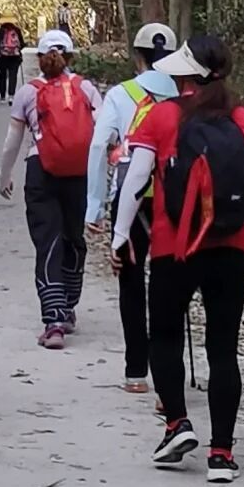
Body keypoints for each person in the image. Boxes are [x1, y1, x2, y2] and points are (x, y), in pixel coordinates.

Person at [112, 34, 244, 482]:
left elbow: (136, 179)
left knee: (164, 337)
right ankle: (221, 454)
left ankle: (177, 424)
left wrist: (121, 236)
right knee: (222, 348)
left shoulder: (162, 117)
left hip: (173, 247)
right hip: (233, 248)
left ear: (185, 75)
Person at [85, 22, 179, 392]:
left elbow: (98, 146)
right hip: (175, 198)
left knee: (131, 281)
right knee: (170, 285)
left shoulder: (121, 94)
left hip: (130, 197)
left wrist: (94, 205)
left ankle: (136, 371)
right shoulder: (185, 95)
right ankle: (168, 375)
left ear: (137, 55)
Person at [0, 29, 102, 347]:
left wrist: (5, 176)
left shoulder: (28, 92)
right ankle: (68, 305)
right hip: (79, 173)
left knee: (48, 243)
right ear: (69, 57)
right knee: (73, 239)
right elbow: (102, 136)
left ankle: (54, 321)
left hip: (40, 171)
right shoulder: (85, 87)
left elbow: (12, 141)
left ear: (40, 57)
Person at [0, 18, 25, 102]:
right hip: (15, 56)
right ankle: (11, 95)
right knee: (13, 75)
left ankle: (2, 96)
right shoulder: (17, 30)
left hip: (2, 56)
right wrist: (17, 50)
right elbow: (22, 43)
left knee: (2, 75)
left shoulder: (0, 31)